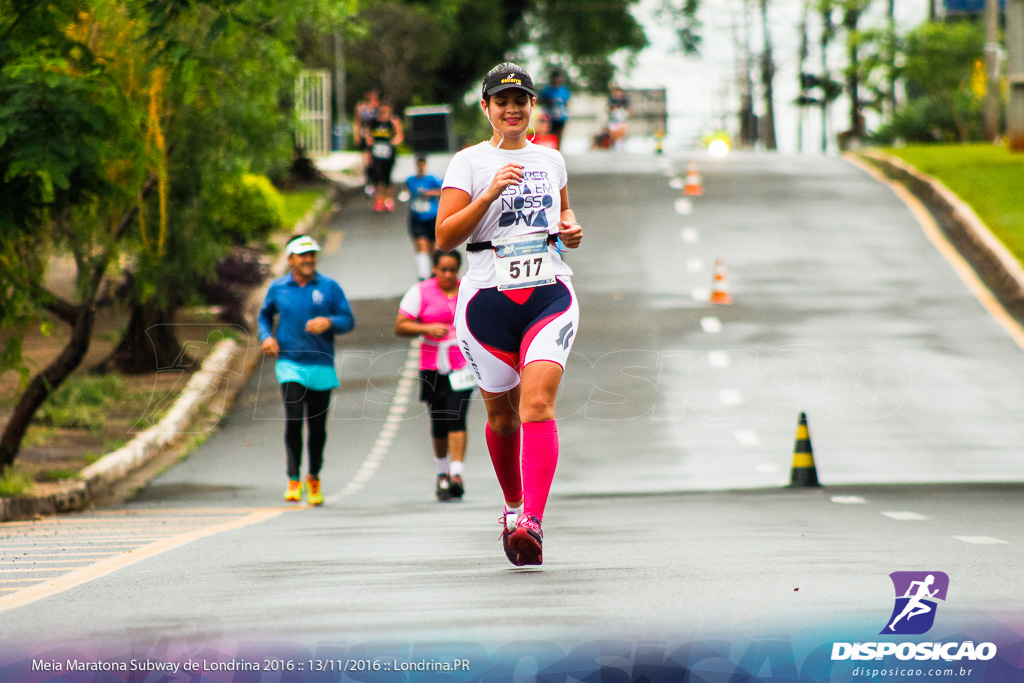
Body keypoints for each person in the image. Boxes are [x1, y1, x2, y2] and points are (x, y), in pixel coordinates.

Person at [435, 62, 583, 567]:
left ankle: (533, 523)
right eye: (502, 102)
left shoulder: (551, 159)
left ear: (532, 106)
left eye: (521, 101)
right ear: (486, 109)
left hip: (548, 293)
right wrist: (491, 192)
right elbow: (445, 237)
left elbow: (562, 217)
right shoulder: (468, 163)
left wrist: (570, 229)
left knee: (536, 403)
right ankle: (513, 507)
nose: (512, 109)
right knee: (501, 415)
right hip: (486, 302)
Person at [258, 235, 355, 505]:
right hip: (290, 363)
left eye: (312, 254)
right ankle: (293, 478)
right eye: (302, 255)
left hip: (321, 364)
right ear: (290, 259)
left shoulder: (329, 287)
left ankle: (313, 477)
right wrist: (266, 337)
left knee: (317, 427)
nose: (309, 259)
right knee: (293, 419)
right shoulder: (278, 288)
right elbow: (264, 315)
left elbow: (348, 320)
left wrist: (329, 321)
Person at [394, 250, 475, 501]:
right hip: (431, 367)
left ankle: (457, 474)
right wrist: (427, 327)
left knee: (457, 417)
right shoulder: (420, 292)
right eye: (444, 270)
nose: (449, 275)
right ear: (435, 269)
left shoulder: (468, 290)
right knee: (439, 421)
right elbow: (400, 325)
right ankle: (442, 473)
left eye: (453, 270)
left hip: (462, 366)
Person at [405, 155, 443, 280]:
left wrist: (430, 193)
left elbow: (444, 190)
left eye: (422, 164)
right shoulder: (410, 180)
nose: (420, 167)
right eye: (418, 164)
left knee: (433, 247)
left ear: (425, 165)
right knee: (421, 244)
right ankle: (423, 274)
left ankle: (434, 272)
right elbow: (406, 193)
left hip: (431, 216)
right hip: (416, 216)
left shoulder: (432, 179)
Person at [364, 101, 404, 212]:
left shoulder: (393, 122)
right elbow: (368, 134)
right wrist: (370, 143)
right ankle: (379, 199)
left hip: (388, 153)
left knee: (387, 177)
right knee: (377, 175)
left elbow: (399, 135)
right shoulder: (374, 122)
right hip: (376, 153)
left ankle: (388, 198)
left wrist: (393, 142)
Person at [353, 88, 380, 196]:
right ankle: (369, 183)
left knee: (376, 161)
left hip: (377, 137)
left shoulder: (378, 107)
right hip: (366, 136)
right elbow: (357, 122)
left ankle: (376, 181)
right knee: (367, 160)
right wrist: (357, 135)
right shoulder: (361, 107)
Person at [538, 69, 570, 150]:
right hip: (550, 116)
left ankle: (558, 150)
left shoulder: (564, 89)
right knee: (550, 134)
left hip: (560, 116)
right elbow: (540, 101)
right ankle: (550, 149)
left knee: (559, 134)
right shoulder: (546, 90)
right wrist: (550, 101)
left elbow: (566, 102)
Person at [607, 86, 630, 151]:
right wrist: (613, 109)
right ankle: (613, 145)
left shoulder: (625, 100)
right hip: (614, 119)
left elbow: (628, 109)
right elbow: (609, 109)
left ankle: (620, 145)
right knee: (613, 133)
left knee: (621, 132)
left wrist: (626, 113)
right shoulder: (611, 100)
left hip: (622, 118)